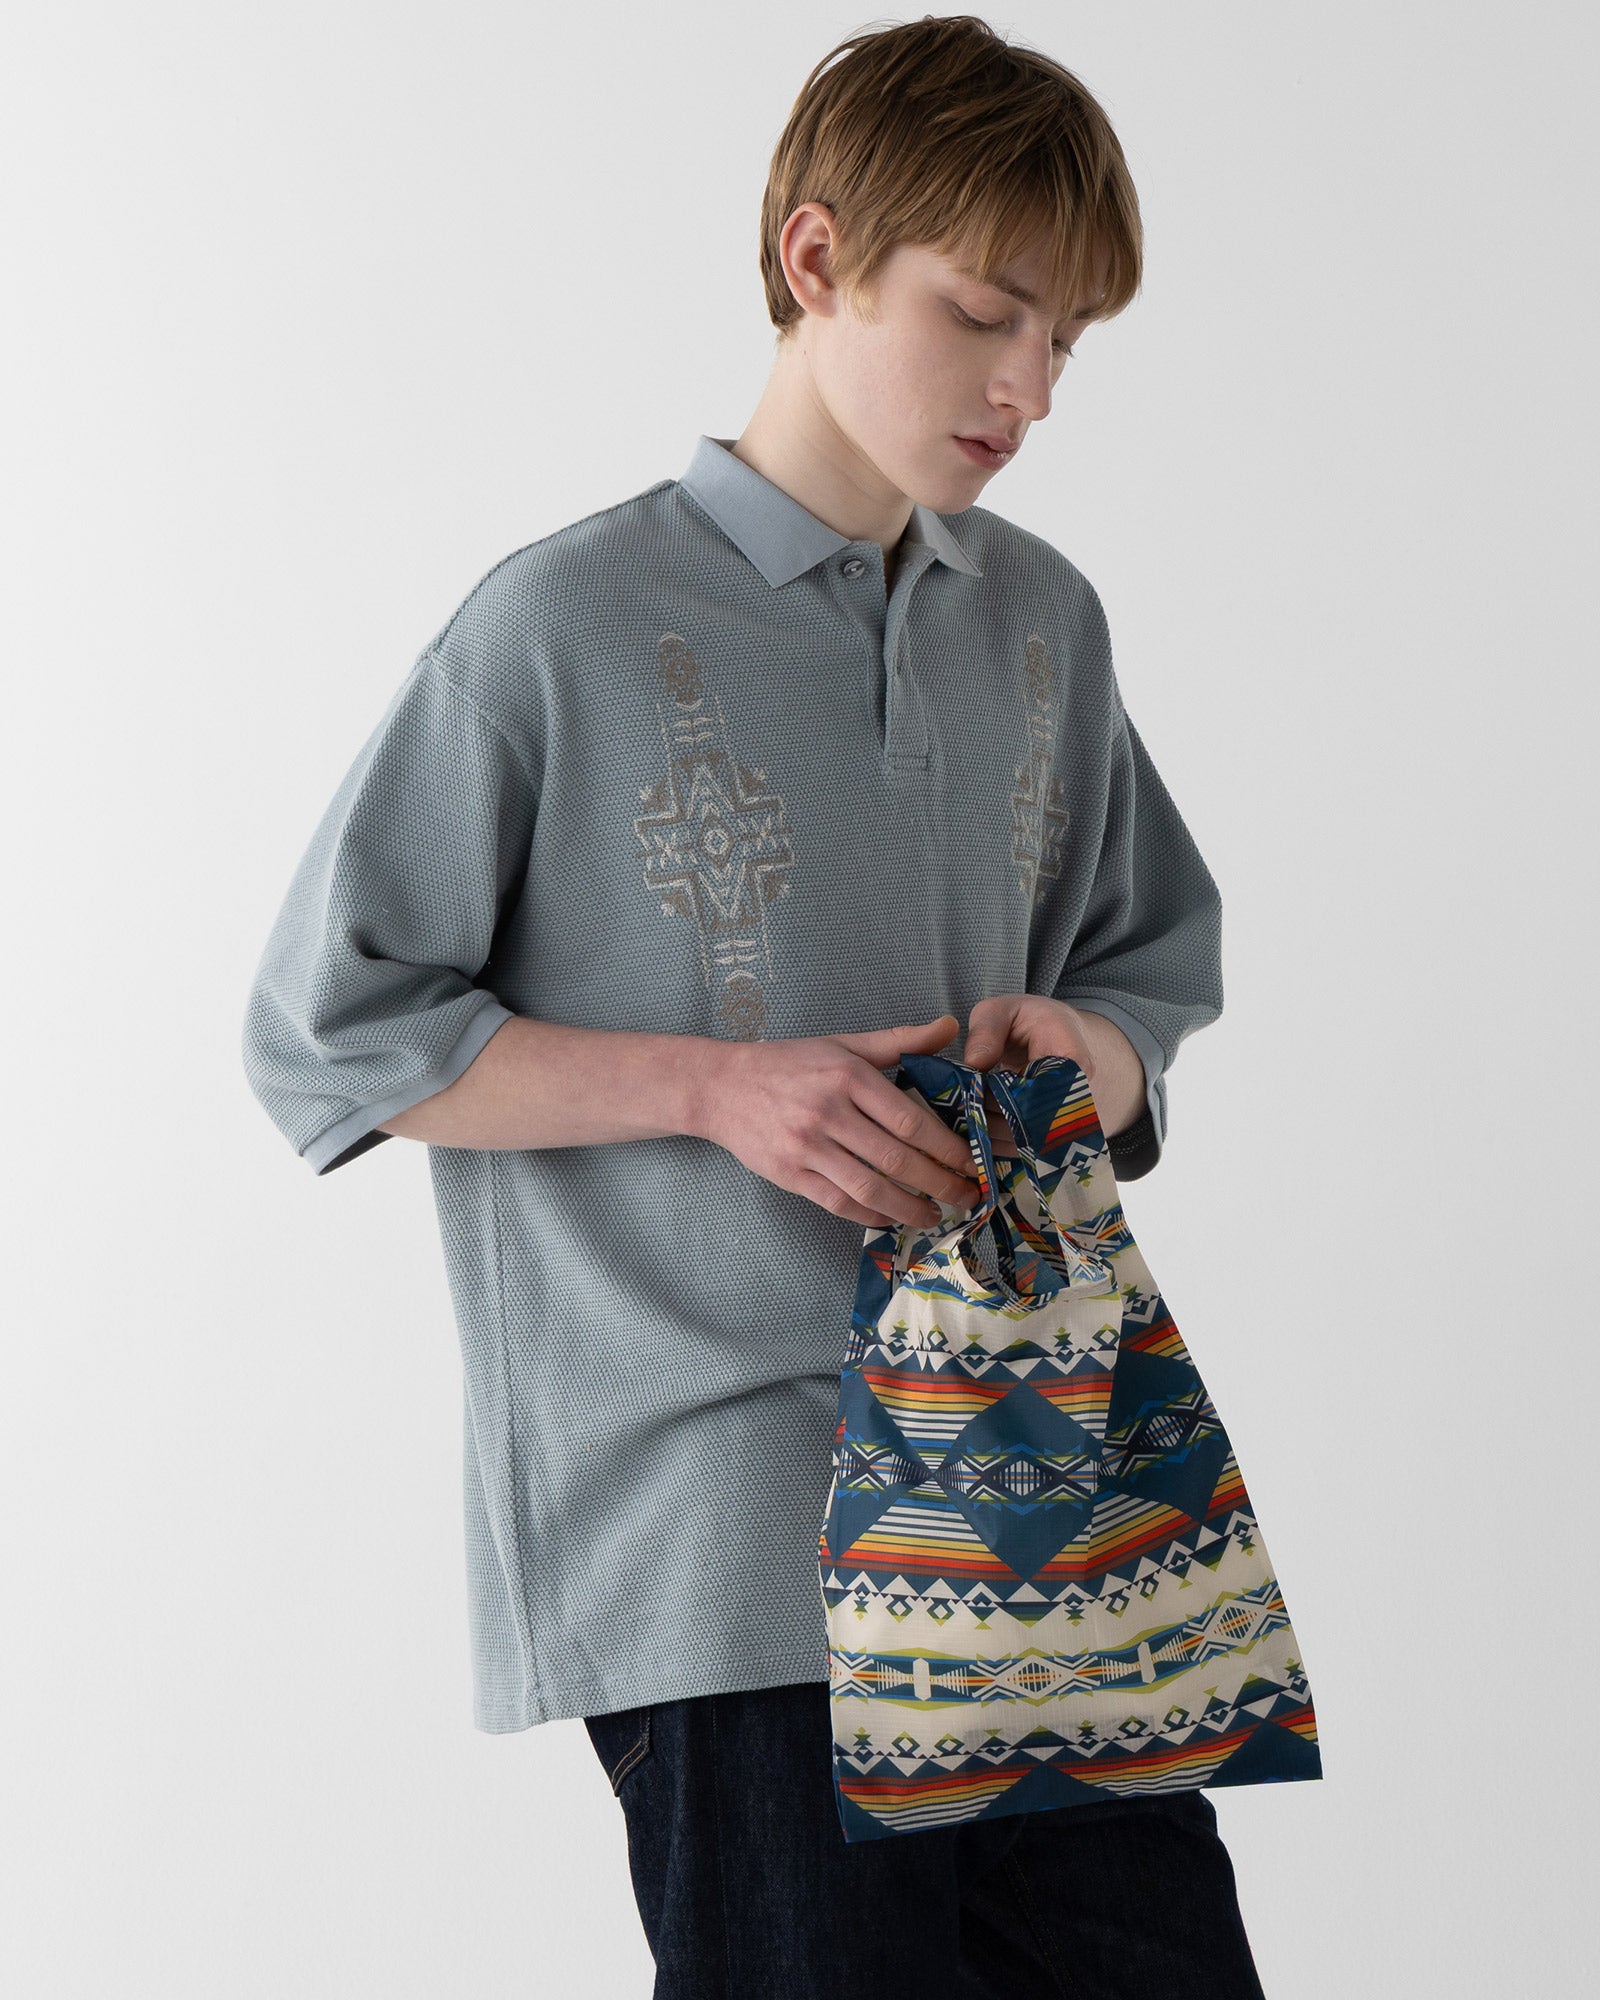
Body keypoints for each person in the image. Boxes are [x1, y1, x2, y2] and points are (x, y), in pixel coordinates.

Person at [241, 14, 1266, 1996]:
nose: (1029, 387)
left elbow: (1146, 960)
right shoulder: (557, 626)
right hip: (720, 1519)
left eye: (1067, 340)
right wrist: (721, 1090)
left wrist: (1093, 1050)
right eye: (984, 314)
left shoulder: (1039, 622)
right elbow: (333, 1027)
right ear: (817, 259)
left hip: (1034, 1469)